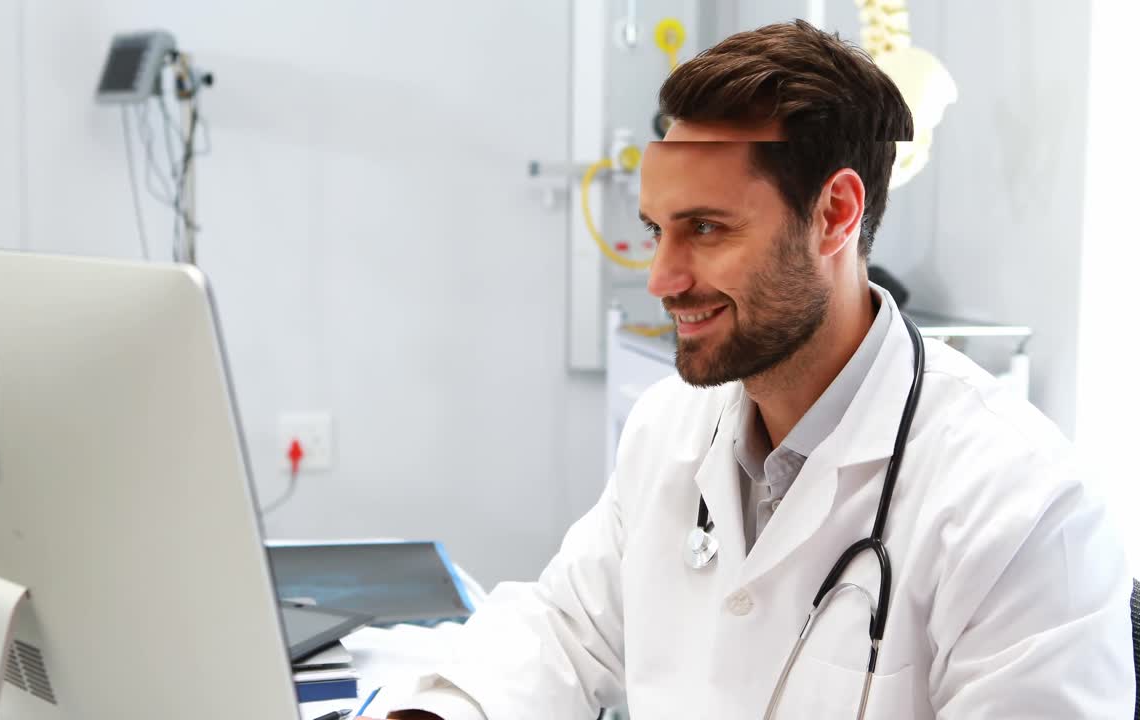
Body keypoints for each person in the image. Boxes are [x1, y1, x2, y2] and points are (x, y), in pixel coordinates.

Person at [370, 20, 1133, 719]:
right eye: (657, 231)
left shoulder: (1024, 510)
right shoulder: (671, 425)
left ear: (835, 214)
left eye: (705, 228)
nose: (662, 278)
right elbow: (567, 629)